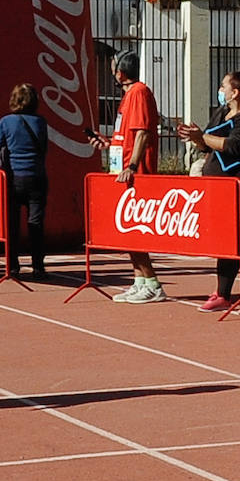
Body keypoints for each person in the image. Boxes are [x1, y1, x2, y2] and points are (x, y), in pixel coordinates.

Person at [179, 71, 240, 315]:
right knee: (226, 240)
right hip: (220, 188)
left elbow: (233, 146)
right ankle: (222, 293)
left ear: (236, 92)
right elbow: (207, 144)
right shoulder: (221, 112)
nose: (220, 90)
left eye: (223, 86)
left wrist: (204, 137)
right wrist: (196, 138)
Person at [88, 51, 168, 303]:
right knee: (126, 230)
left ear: (120, 73)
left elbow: (142, 132)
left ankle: (152, 283)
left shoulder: (139, 93)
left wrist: (132, 165)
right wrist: (108, 143)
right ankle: (140, 280)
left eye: (113, 68)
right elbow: (128, 136)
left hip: (136, 173)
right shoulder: (130, 95)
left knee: (134, 230)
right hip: (122, 170)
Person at [0, 83, 49, 277]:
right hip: (37, 177)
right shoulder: (41, 122)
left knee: (12, 224)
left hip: (14, 178)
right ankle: (38, 266)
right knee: (36, 223)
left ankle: (13, 266)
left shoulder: (6, 122)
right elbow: (44, 149)